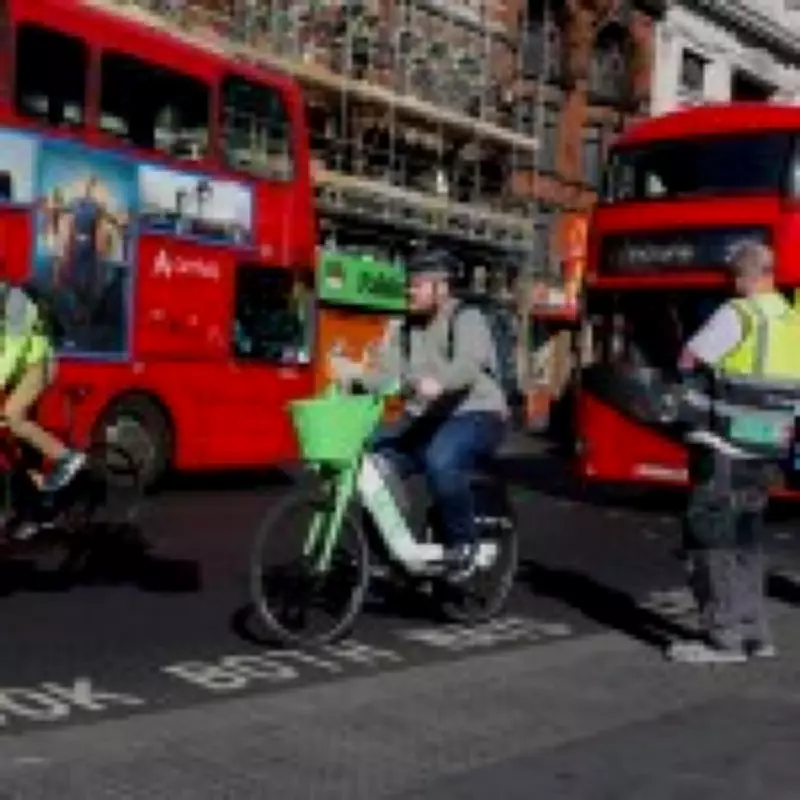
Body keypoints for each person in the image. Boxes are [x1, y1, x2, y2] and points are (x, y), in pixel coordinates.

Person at [330, 247, 508, 580]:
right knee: (373, 463)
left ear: (441, 288)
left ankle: (462, 547)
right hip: (429, 418)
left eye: (417, 284)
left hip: (476, 413)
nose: (409, 291)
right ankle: (386, 554)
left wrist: (441, 382)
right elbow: (386, 374)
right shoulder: (404, 329)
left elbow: (469, 365)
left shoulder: (465, 317)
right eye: (409, 285)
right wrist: (353, 377)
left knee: (442, 460)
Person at [669, 239, 800, 664]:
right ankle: (756, 634)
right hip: (766, 445)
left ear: (745, 276)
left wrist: (689, 392)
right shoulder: (791, 318)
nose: (732, 284)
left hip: (723, 442)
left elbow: (690, 357)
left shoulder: (737, 313)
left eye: (734, 276)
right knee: (746, 539)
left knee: (711, 538)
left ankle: (722, 638)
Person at [0, 280, 86, 501]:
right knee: (20, 439)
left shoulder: (14, 301)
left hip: (37, 366)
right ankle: (39, 499)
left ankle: (65, 457)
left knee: (13, 416)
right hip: (18, 371)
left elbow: (13, 351)